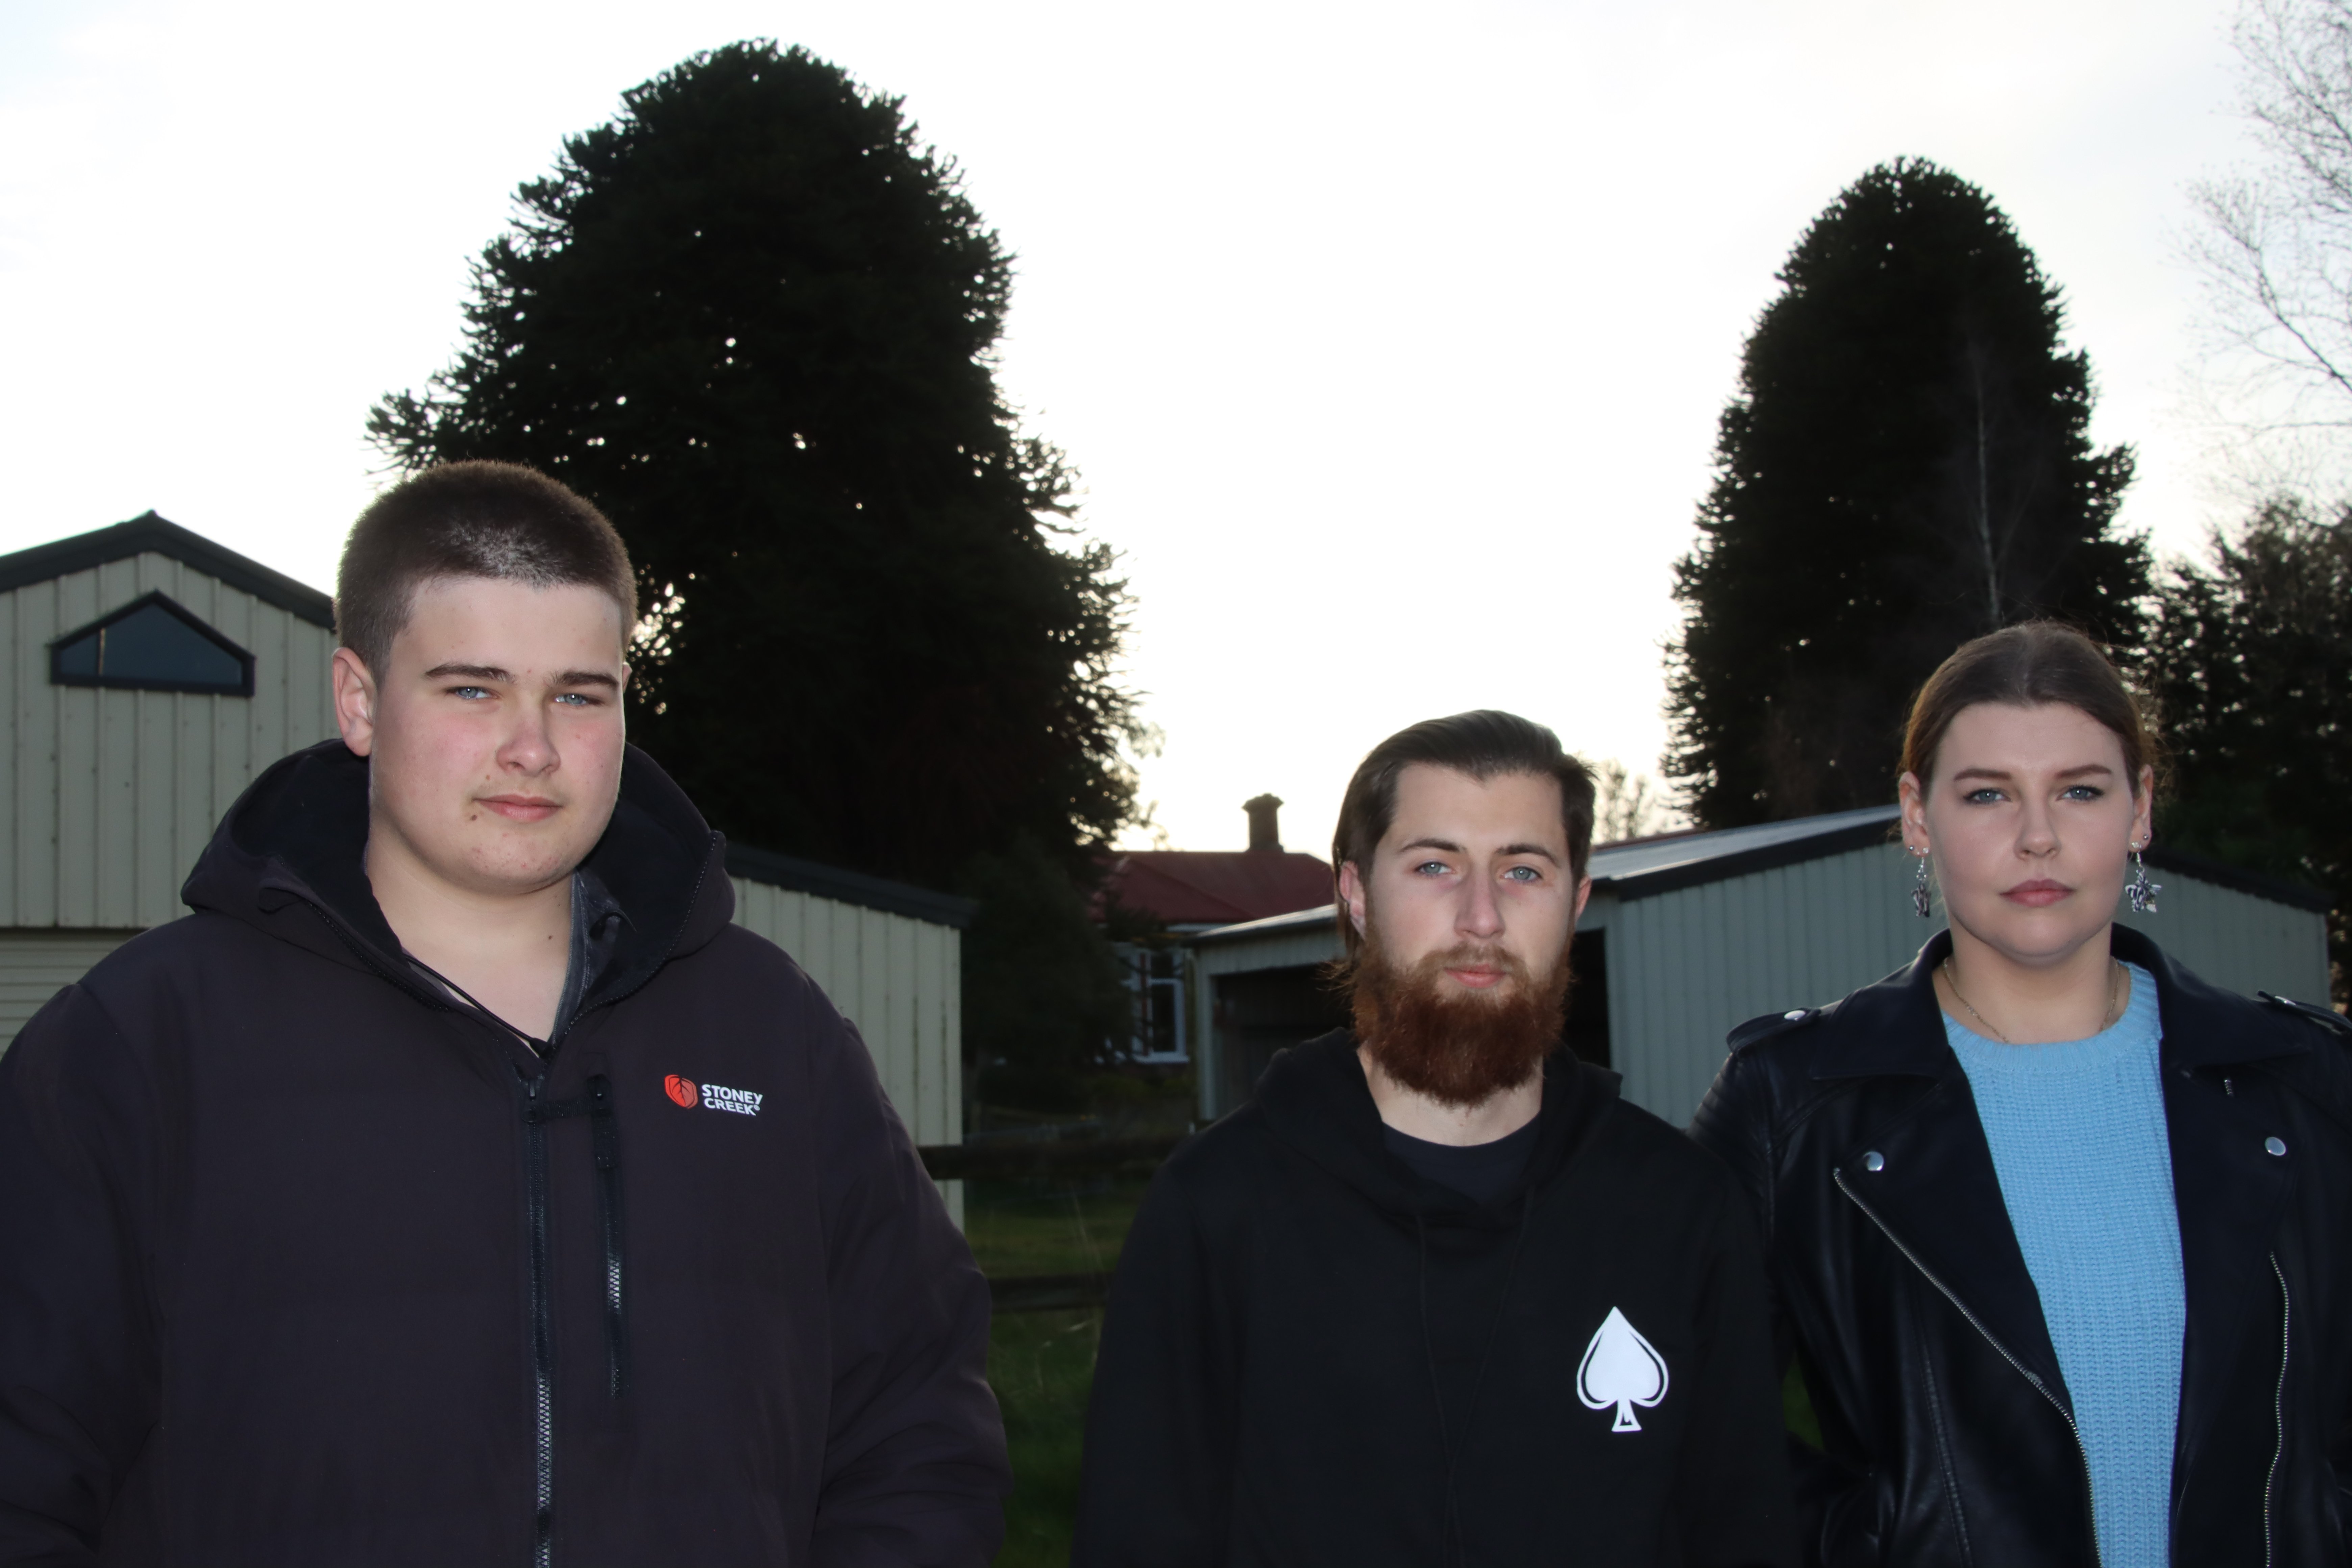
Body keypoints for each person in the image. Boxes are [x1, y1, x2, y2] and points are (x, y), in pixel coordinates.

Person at [0, 462, 1007, 1565]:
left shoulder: (771, 1034)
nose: (533, 746)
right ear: (358, 699)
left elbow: (917, 1416)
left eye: (579, 694)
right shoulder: (142, 1046)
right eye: (473, 688)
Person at [1691, 621, 2352, 1567]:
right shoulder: (1793, 1104)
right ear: (1919, 816)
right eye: (1989, 794)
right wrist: (1871, 1545)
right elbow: (1690, 1422)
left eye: (2080, 791)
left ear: (2141, 811)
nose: (2038, 837)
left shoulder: (2309, 1085)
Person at [1074, 711, 1795, 1568]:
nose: (1481, 916)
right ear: (1355, 896)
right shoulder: (1217, 1208)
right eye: (1434, 866)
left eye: (1523, 870)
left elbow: (1743, 1529)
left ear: (1577, 903)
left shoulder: (1682, 1210)